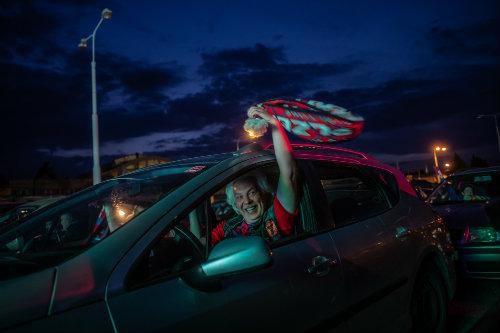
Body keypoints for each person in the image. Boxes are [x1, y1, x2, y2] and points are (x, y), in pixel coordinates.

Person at [211, 106, 298, 245]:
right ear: (234, 203)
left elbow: (289, 173)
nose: (247, 201)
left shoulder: (276, 218)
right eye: (239, 196)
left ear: (263, 192)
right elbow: (202, 248)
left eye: (252, 193)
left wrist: (274, 123)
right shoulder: (226, 228)